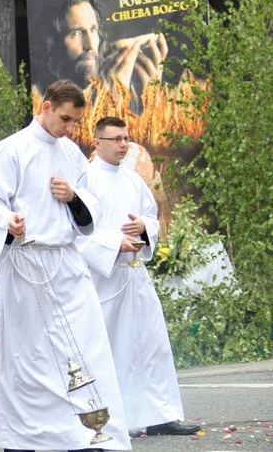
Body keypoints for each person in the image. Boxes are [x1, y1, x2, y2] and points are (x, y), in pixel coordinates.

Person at [0, 79, 130, 452]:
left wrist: (73, 198)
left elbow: (92, 210)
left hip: (67, 266)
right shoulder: (11, 150)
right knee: (31, 359)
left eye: (74, 122)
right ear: (46, 106)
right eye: (65, 119)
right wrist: (7, 221)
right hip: (25, 265)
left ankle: (85, 434)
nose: (69, 128)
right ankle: (27, 436)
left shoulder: (71, 154)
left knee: (85, 351)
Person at [77, 116, 201, 436]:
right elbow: (74, 234)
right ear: (96, 143)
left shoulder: (133, 181)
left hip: (134, 274)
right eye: (116, 139)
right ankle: (118, 417)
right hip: (103, 279)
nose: (123, 145)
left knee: (151, 343)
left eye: (126, 138)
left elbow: (151, 216)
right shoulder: (85, 181)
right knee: (114, 347)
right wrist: (113, 242)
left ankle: (160, 413)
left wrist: (145, 228)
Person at [37, 0, 167, 108]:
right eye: (75, 33)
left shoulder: (129, 89)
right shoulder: (43, 102)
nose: (91, 45)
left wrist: (153, 105)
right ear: (53, 43)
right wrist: (112, 105)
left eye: (93, 30)